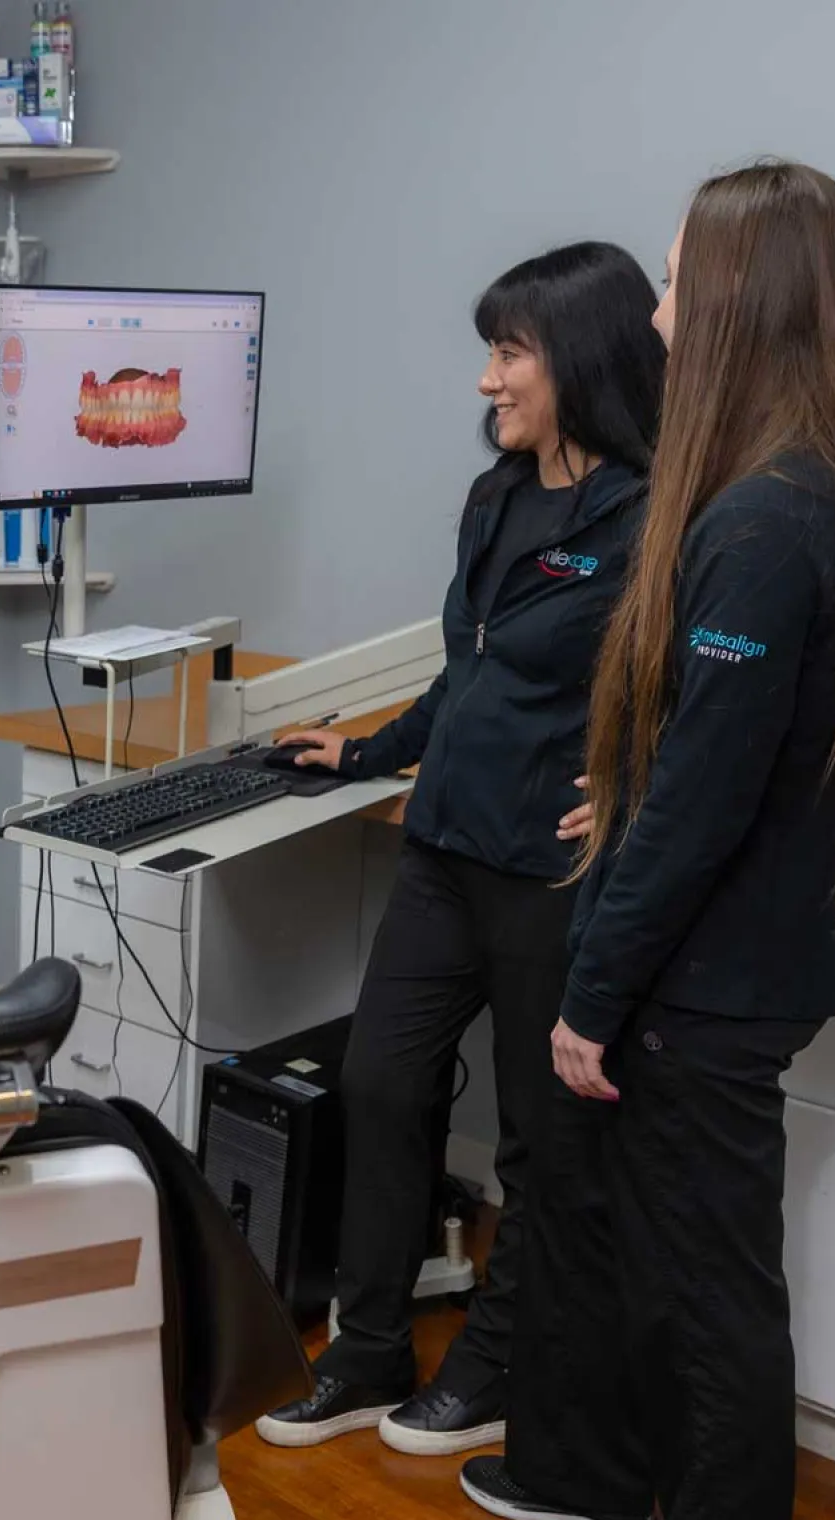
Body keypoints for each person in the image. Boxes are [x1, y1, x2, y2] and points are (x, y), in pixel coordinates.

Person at [460, 161, 835, 1520]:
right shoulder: (809, 484)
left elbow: (710, 803)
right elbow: (732, 754)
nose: (652, 314)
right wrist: (644, 778)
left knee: (709, 1296)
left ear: (734, 299)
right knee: (700, 1282)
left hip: (708, 985)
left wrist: (590, 998)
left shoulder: (766, 520)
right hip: (753, 957)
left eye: (670, 280)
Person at [256, 241, 667, 1455]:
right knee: (380, 1085)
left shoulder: (649, 516)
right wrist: (374, 750)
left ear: (578, 361)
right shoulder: (495, 498)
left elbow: (680, 687)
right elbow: (469, 669)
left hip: (551, 868)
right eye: (488, 353)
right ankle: (367, 1347)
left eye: (507, 353)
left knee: (542, 1139)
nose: (486, 381)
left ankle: (492, 1362)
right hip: (442, 846)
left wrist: (643, 784)